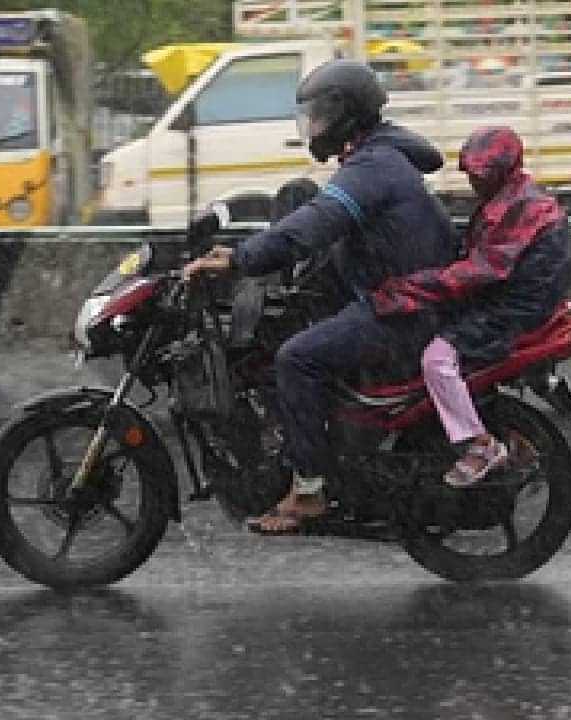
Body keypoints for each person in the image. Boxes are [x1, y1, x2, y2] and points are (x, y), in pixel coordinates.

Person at [183, 59, 457, 533]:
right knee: (297, 198)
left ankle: (308, 490)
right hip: (397, 295)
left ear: (346, 114)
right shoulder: (377, 155)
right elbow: (312, 214)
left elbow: (316, 224)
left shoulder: (374, 167)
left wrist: (240, 260)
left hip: (403, 313)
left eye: (319, 115)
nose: (312, 126)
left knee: (296, 359)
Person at [370, 125, 571, 487]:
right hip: (515, 300)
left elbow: (479, 272)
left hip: (510, 312)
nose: (475, 183)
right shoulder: (515, 197)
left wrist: (408, 289)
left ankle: (479, 445)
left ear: (502, 171)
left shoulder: (518, 208)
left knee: (436, 360)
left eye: (483, 175)